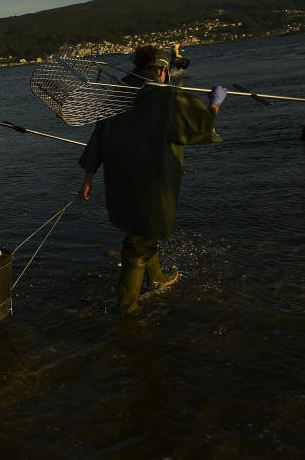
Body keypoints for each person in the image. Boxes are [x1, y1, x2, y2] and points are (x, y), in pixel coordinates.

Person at [78, 45, 226, 315]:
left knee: (140, 228)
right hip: (152, 179)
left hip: (121, 179)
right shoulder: (166, 96)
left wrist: (88, 177)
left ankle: (156, 278)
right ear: (161, 69)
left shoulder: (119, 92)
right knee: (140, 240)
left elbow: (99, 134)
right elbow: (200, 126)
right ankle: (128, 311)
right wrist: (215, 104)